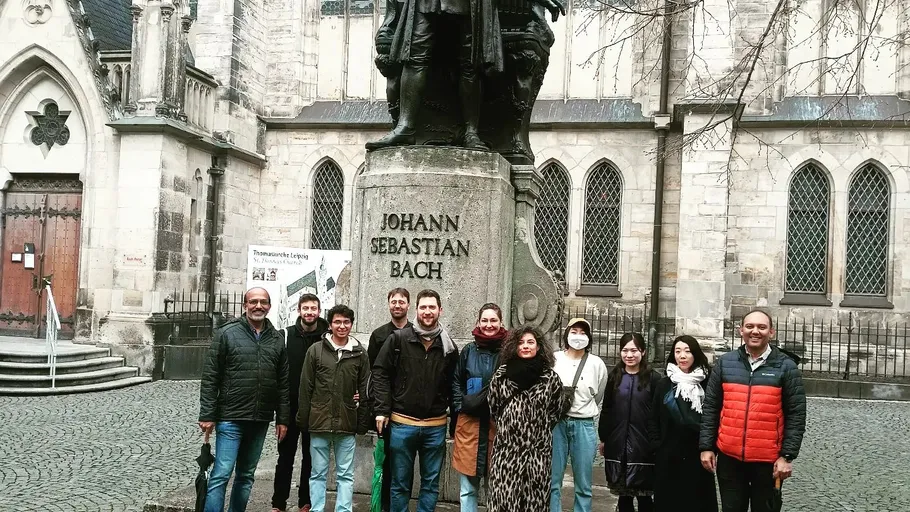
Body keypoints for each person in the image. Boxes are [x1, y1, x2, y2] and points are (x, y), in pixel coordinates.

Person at [699, 310, 807, 512]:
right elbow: (711, 407)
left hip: (767, 461)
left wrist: (787, 456)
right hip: (730, 459)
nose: (755, 331)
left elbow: (796, 415)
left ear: (771, 332)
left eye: (761, 327)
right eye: (749, 326)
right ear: (741, 330)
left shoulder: (786, 366)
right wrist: (707, 447)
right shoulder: (725, 363)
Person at [198, 287, 289, 512]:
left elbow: (283, 382)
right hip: (230, 417)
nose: (258, 306)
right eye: (253, 302)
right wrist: (207, 414)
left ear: (269, 306)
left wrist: (283, 418)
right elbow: (211, 376)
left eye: (263, 302)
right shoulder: (227, 334)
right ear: (245, 305)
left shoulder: (277, 338)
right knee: (221, 474)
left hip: (259, 419)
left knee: (246, 476)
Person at [371, 289, 459, 512]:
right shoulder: (398, 339)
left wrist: (455, 420)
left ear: (440, 310)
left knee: (430, 486)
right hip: (402, 425)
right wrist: (381, 409)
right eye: (423, 307)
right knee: (400, 485)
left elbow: (454, 384)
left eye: (432, 307)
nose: (427, 312)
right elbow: (380, 373)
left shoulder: (449, 348)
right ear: (416, 310)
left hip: (435, 427)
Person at [487, 325, 570, 512]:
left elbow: (555, 411)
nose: (525, 346)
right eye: (521, 342)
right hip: (507, 455)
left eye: (530, 342)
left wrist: (536, 431)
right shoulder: (501, 376)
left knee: (534, 504)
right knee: (505, 503)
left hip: (537, 456)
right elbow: (494, 408)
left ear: (539, 346)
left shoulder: (550, 379)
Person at [297, 304, 370, 512]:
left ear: (351, 324)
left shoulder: (359, 353)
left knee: (346, 474)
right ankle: (317, 508)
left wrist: (362, 421)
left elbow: (365, 388)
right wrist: (304, 421)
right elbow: (306, 387)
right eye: (337, 322)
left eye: (346, 322)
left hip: (346, 422)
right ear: (330, 325)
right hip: (319, 422)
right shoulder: (315, 351)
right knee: (318, 472)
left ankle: (343, 509)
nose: (342, 326)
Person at [272, 294, 328, 512]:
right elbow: (279, 376)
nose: (309, 312)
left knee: (311, 458)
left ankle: (306, 501)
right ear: (299, 310)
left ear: (319, 310)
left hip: (317, 408)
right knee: (285, 458)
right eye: (305, 308)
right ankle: (278, 503)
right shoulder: (285, 336)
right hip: (290, 407)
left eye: (313, 308)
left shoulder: (327, 336)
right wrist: (281, 414)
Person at [648, 335, 717, 512]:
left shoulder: (707, 383)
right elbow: (653, 418)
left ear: (695, 354)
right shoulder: (664, 384)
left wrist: (709, 447)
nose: (682, 356)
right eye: (678, 351)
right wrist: (657, 446)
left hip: (697, 454)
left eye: (687, 351)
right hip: (668, 454)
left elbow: (714, 416)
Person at [451, 303, 507, 512]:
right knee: (468, 489)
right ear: (478, 322)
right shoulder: (468, 351)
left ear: (501, 323)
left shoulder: (508, 351)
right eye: (485, 320)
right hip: (470, 426)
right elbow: (456, 381)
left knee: (496, 487)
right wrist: (461, 405)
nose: (489, 324)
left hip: (498, 426)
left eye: (493, 320)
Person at [550, 318, 608, 512]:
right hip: (557, 424)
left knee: (583, 483)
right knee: (553, 480)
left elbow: (598, 394)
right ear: (567, 334)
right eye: (574, 331)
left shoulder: (596, 364)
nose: (578, 336)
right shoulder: (554, 359)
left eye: (583, 333)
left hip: (584, 425)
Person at [598, 332, 659, 512]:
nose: (629, 355)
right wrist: (604, 437)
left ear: (643, 352)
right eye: (625, 350)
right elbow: (607, 409)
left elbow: (658, 413)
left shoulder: (654, 379)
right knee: (624, 497)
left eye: (634, 350)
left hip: (644, 445)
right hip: (618, 444)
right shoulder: (615, 376)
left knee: (645, 498)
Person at [367, 287, 412, 512]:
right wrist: (378, 407)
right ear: (388, 305)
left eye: (401, 302)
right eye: (393, 301)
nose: (397, 305)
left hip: (408, 409)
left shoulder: (417, 332)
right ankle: (383, 506)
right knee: (385, 461)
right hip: (385, 408)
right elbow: (374, 372)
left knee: (403, 464)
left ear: (408, 305)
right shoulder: (378, 335)